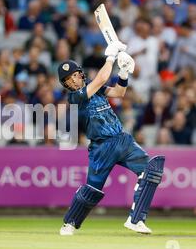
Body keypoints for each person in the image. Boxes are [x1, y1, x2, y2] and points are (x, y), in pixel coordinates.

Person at [57, 41, 165, 235]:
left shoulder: (94, 87)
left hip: (122, 139)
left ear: (80, 73)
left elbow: (119, 92)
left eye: (73, 76)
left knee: (152, 170)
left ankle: (136, 219)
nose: (72, 82)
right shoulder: (75, 97)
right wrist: (111, 57)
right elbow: (100, 79)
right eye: (67, 81)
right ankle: (70, 223)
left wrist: (123, 73)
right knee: (92, 190)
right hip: (101, 147)